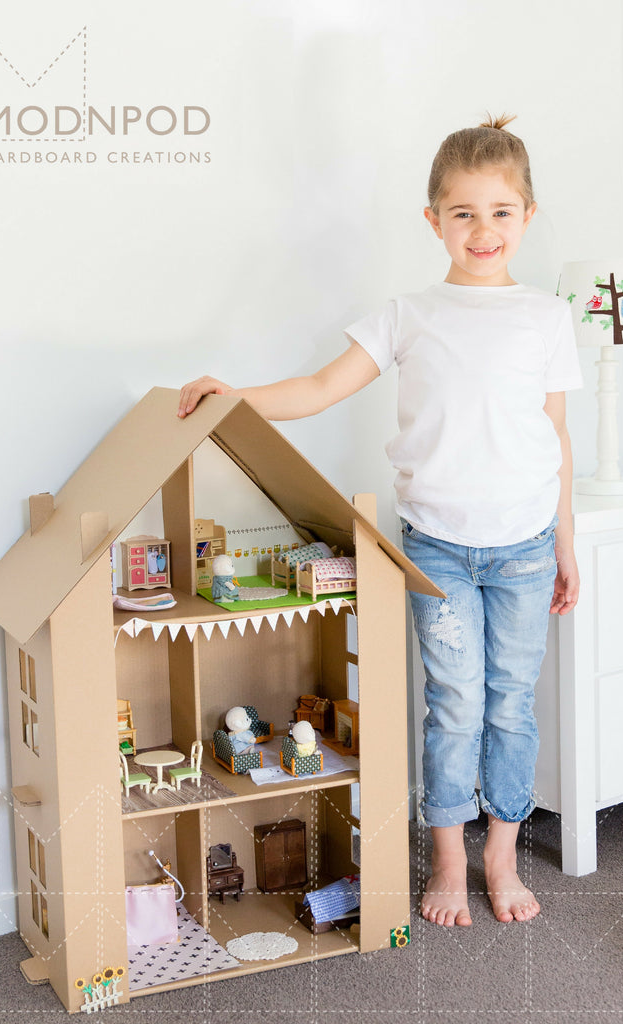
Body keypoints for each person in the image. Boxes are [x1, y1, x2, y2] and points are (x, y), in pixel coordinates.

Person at [178, 115, 583, 928]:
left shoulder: (543, 316)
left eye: (501, 211)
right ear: (432, 220)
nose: (483, 229)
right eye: (463, 212)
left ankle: (498, 856)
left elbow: (555, 437)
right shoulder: (407, 314)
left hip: (525, 546)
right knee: (453, 703)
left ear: (527, 216)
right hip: (437, 548)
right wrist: (236, 396)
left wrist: (565, 543)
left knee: (509, 703)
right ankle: (443, 859)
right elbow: (319, 387)